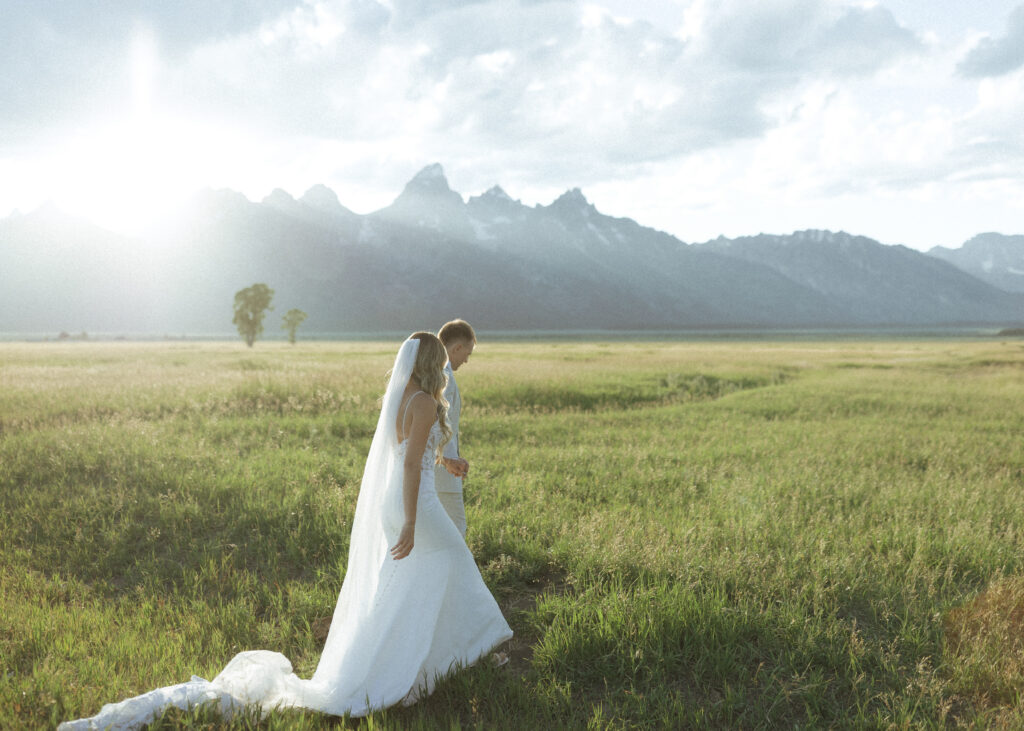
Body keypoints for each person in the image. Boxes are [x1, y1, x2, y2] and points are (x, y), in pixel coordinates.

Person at [60, 333, 512, 730]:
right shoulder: (427, 402)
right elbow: (410, 461)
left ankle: (421, 663)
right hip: (416, 504)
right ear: (436, 362)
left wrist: (445, 460)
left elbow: (408, 453)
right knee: (454, 558)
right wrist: (413, 520)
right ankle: (472, 649)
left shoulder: (402, 398)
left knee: (409, 580)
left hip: (395, 499)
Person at [435, 319, 476, 537]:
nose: (466, 360)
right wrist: (446, 459)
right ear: (456, 348)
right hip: (443, 472)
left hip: (438, 467)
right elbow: (433, 425)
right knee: (455, 532)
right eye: (467, 354)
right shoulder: (445, 378)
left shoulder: (432, 373)